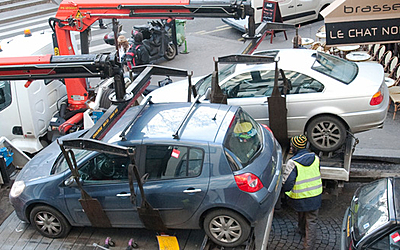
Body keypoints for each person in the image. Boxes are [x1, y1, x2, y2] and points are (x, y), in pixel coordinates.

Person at [282, 135, 322, 250]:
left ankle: (304, 237)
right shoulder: (315, 158)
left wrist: (284, 192)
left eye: (291, 146)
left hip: (299, 196)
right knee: (312, 220)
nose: (290, 149)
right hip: (315, 195)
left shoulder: (293, 162)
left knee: (302, 212)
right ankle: (308, 242)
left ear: (295, 148)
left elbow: (288, 183)